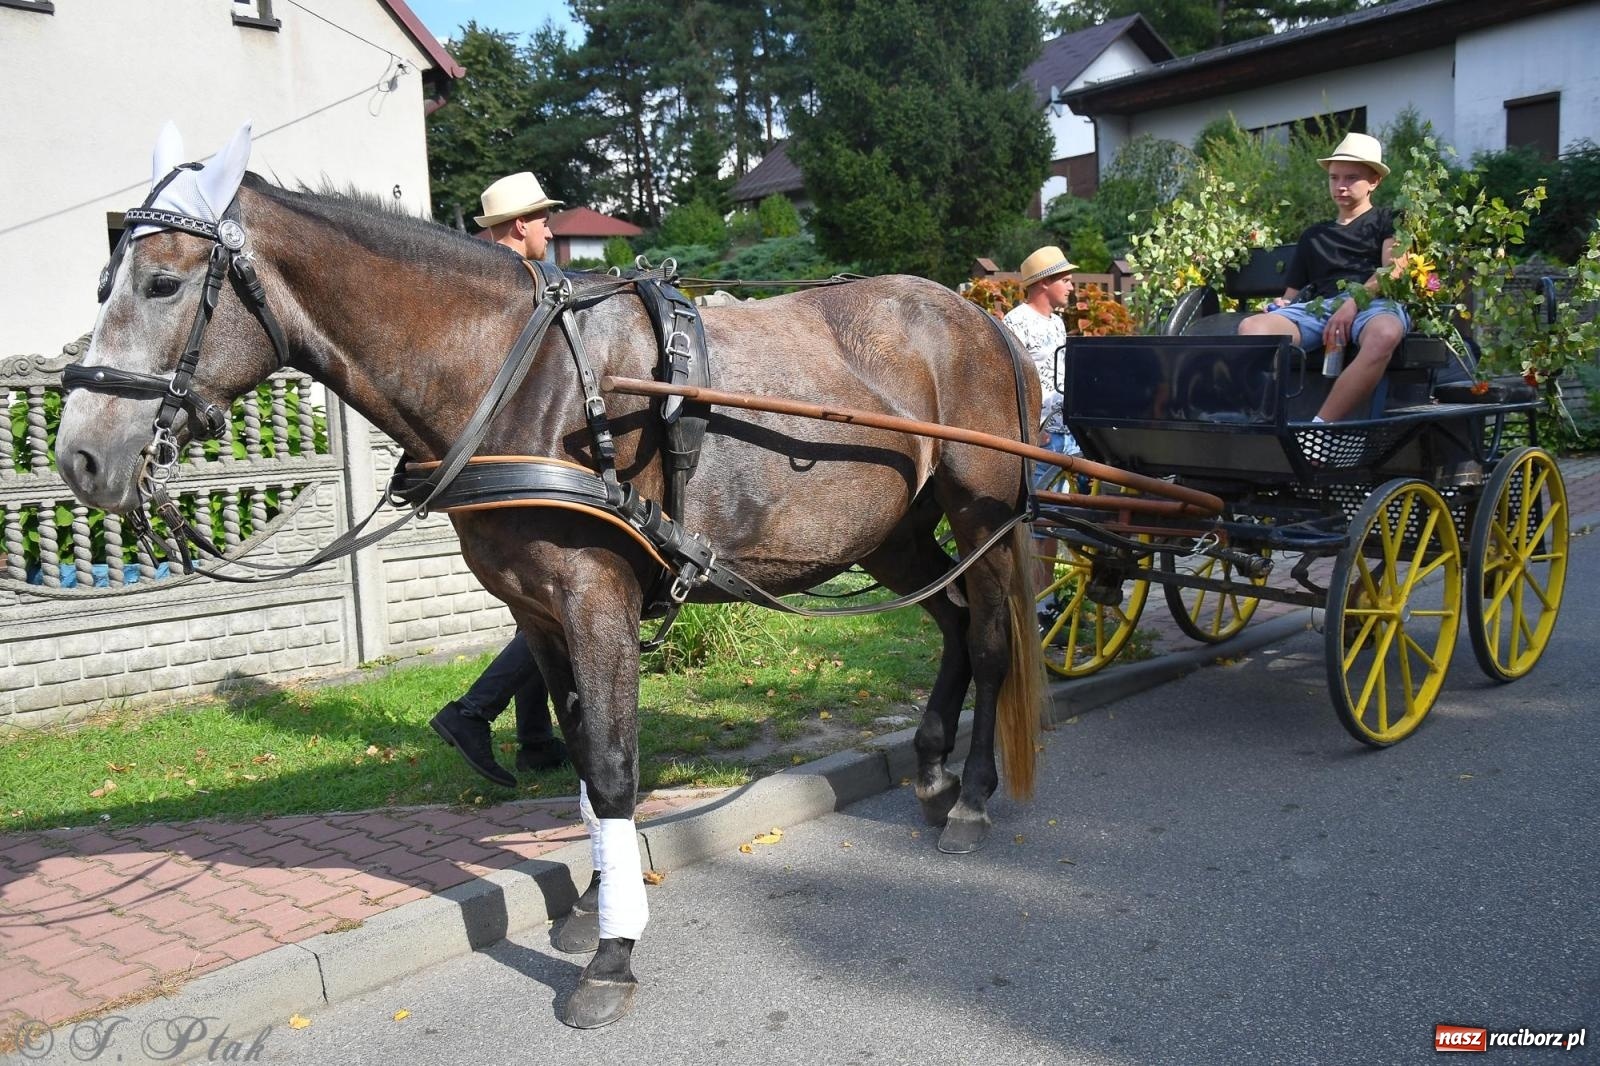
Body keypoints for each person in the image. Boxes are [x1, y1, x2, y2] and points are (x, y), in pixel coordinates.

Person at [429, 170, 570, 788]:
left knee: (535, 607)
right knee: (556, 613)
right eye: (542, 219)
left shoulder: (469, 282)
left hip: (485, 466)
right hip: (525, 461)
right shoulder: (525, 284)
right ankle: (472, 713)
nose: (549, 228)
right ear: (519, 225)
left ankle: (536, 740)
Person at [1238, 132, 1410, 422]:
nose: (1340, 186)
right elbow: (1292, 295)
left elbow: (1393, 271)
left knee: (1385, 334)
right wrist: (1281, 304)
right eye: (1334, 178)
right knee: (1252, 327)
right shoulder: (1313, 235)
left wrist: (1351, 304)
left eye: (1351, 178)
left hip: (1373, 303)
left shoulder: (1390, 219)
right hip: (1320, 309)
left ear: (1374, 182)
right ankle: (1264, 422)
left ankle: (1320, 430)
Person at [1002, 245, 1078, 607]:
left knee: (1053, 519)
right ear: (1043, 283)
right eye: (1065, 279)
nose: (1072, 286)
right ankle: (1036, 605)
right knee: (1036, 520)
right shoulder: (1016, 323)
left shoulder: (1057, 322)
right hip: (1041, 437)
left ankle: (1045, 598)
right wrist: (1031, 429)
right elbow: (1008, 379)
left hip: (1064, 433)